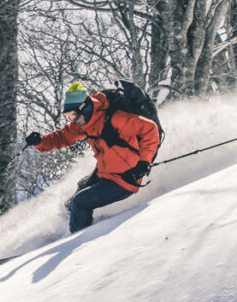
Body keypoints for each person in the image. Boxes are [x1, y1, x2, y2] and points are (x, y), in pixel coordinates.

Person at [25, 82, 160, 234]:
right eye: (68, 116)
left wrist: (144, 162)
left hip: (126, 178)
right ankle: (80, 231)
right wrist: (40, 141)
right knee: (72, 202)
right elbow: (63, 137)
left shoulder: (116, 119)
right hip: (105, 173)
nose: (72, 120)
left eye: (73, 115)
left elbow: (150, 130)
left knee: (80, 203)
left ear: (86, 107)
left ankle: (77, 244)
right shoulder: (84, 123)